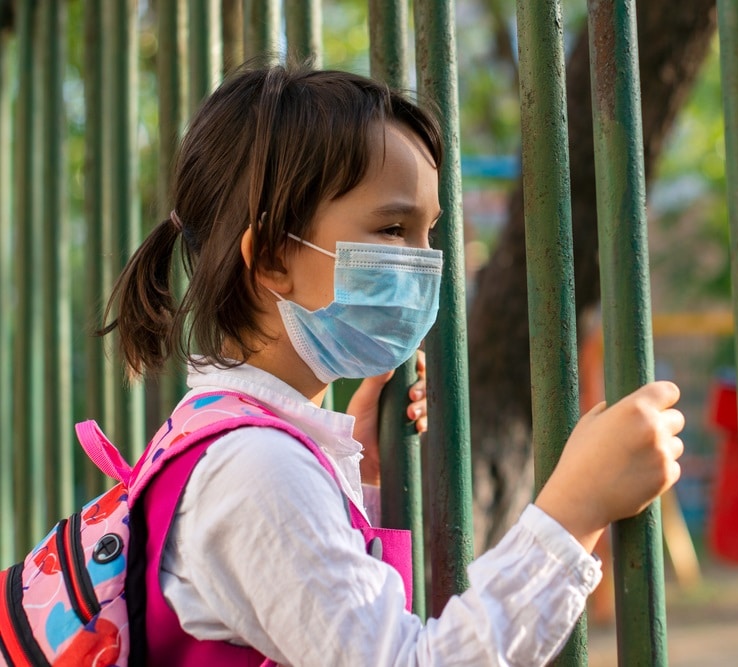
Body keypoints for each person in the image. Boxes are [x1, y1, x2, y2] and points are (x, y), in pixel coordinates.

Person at [101, 64, 685, 666]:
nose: (424, 263)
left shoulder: (216, 437)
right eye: (392, 228)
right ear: (274, 258)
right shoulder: (256, 468)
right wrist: (575, 510)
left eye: (428, 232)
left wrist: (366, 481)